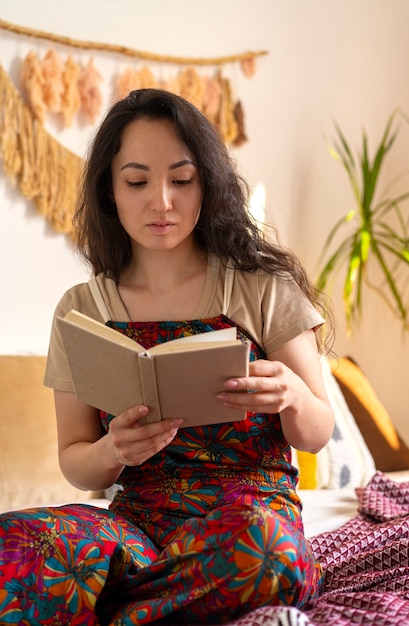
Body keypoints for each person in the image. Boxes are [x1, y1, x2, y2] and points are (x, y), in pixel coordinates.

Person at [0, 88, 335, 625]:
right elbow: (75, 458)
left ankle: (102, 610)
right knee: (13, 544)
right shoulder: (82, 310)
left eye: (182, 180)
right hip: (138, 528)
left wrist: (293, 395)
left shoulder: (263, 288)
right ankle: (162, 602)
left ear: (206, 183)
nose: (162, 201)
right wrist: (113, 449)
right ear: (110, 191)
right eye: (137, 181)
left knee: (270, 554)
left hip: (246, 519)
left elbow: (316, 433)